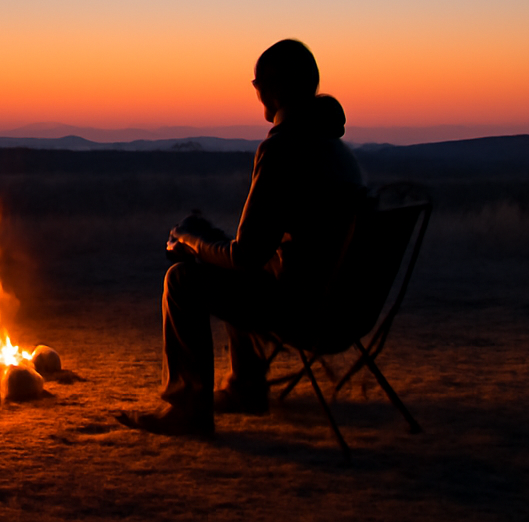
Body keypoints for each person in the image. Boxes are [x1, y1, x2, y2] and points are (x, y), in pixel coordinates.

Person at [120, 38, 367, 436]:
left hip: (300, 308)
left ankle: (188, 409)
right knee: (230, 265)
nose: (257, 94)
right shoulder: (336, 149)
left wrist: (190, 239)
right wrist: (209, 242)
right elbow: (262, 251)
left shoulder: (285, 147)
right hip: (342, 305)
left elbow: (247, 256)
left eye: (258, 84)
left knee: (182, 279)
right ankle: (245, 389)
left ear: (276, 86)